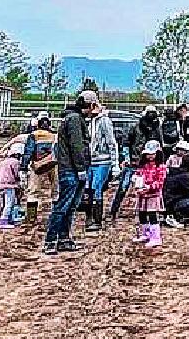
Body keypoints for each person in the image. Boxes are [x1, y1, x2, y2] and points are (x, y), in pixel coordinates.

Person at [42, 96, 92, 258]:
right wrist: (80, 168)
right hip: (70, 170)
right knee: (63, 206)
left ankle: (63, 238)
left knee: (70, 207)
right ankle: (51, 240)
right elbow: (76, 145)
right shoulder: (75, 120)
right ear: (90, 104)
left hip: (71, 169)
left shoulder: (74, 118)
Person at [113, 106, 161, 218]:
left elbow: (160, 145)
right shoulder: (135, 127)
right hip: (134, 162)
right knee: (124, 186)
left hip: (150, 163)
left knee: (150, 187)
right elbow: (126, 143)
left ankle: (149, 211)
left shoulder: (157, 129)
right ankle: (114, 210)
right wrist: (127, 158)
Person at [81, 91, 118, 235]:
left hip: (102, 160)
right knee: (88, 189)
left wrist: (114, 164)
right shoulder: (87, 121)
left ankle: (97, 221)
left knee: (96, 189)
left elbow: (111, 142)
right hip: (89, 161)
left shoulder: (104, 120)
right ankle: (89, 217)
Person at [129, 140, 166, 247]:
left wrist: (149, 187)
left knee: (152, 215)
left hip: (153, 195)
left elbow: (160, 182)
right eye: (148, 154)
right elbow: (138, 174)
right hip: (142, 194)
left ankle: (156, 237)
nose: (150, 156)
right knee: (142, 214)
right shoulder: (143, 166)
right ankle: (145, 233)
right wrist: (136, 179)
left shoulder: (161, 167)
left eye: (153, 154)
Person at [21, 114, 56, 225]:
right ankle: (55, 216)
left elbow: (28, 151)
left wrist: (23, 167)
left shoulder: (33, 135)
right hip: (53, 164)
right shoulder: (54, 136)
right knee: (56, 191)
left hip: (37, 164)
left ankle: (31, 218)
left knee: (33, 191)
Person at [162, 152, 189, 226]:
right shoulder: (185, 176)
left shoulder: (174, 171)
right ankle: (177, 215)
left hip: (167, 201)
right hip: (174, 202)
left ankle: (175, 215)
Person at [0, 143, 22, 230]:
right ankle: (4, 222)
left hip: (1, 185)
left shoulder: (2, 162)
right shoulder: (15, 162)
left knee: (4, 203)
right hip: (10, 185)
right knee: (10, 203)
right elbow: (17, 174)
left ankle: (7, 219)